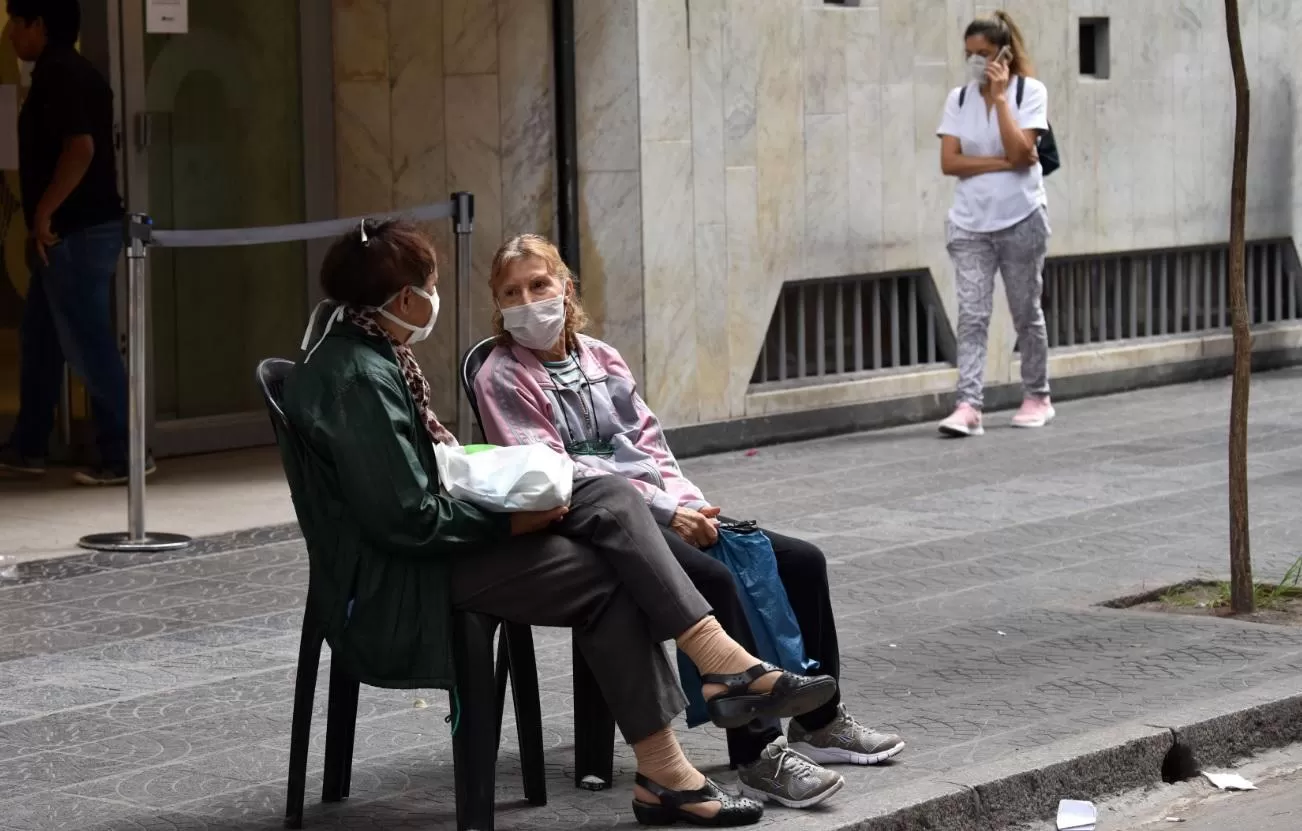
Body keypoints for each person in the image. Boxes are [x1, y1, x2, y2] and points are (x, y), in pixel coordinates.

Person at [285, 219, 841, 827]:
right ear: (405, 300)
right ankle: (708, 694)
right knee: (608, 535)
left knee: (607, 518)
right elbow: (408, 519)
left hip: (432, 550)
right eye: (434, 284)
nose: (437, 298)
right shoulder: (361, 377)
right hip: (402, 578)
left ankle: (677, 756)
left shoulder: (374, 351)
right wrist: (515, 526)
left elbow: (428, 480)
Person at [475, 234, 907, 811]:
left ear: (566, 287)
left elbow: (651, 443)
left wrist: (688, 504)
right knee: (716, 580)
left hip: (665, 509)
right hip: (592, 526)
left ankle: (819, 723)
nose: (528, 301)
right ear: (497, 304)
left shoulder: (601, 356)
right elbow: (555, 471)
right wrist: (665, 514)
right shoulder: (501, 375)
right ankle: (756, 758)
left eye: (539, 284)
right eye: (512, 292)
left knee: (802, 561)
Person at [0, 0, 143, 485]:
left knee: (89, 344)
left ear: (37, 24)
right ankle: (29, 445)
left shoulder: (61, 74)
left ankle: (124, 453)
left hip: (75, 230)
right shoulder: (66, 73)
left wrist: (43, 213)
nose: (10, 34)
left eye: (14, 24)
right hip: (71, 230)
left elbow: (79, 149)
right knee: (40, 338)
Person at [935, 10, 1053, 438]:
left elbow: (1024, 154)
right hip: (969, 225)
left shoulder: (1030, 92)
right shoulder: (959, 99)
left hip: (1021, 219)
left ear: (1004, 53)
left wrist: (1002, 100)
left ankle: (1038, 394)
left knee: (1026, 313)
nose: (975, 62)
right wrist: (1002, 162)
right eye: (969, 54)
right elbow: (950, 162)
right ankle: (969, 405)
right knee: (972, 316)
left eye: (983, 53)